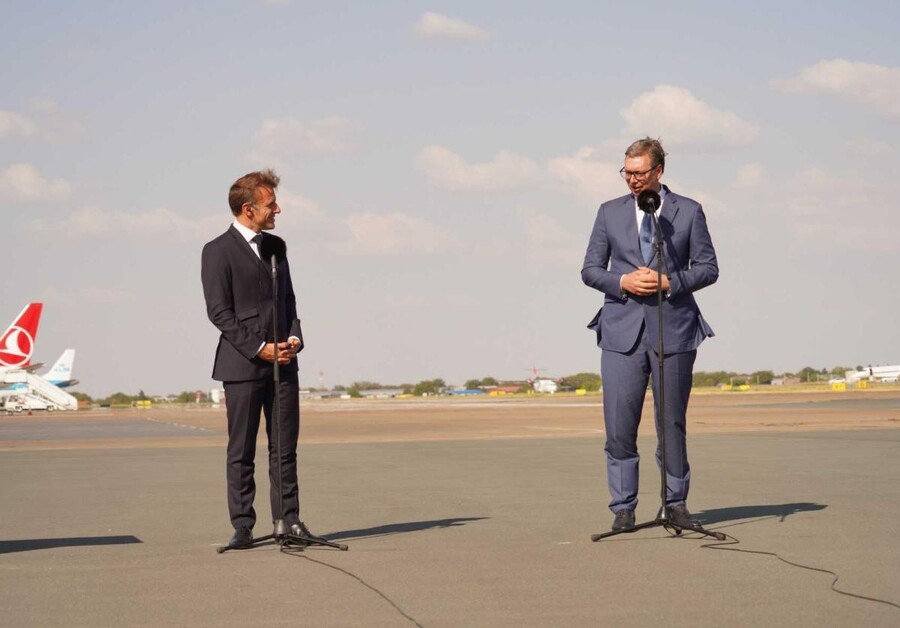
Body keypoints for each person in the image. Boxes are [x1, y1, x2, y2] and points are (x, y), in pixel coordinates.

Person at [581, 138, 719, 532]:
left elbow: (708, 268)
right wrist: (622, 280)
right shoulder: (608, 213)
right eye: (627, 172)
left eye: (640, 173)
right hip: (621, 333)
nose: (632, 180)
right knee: (619, 426)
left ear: (659, 171)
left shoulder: (688, 212)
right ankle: (623, 508)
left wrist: (669, 282)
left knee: (671, 423)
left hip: (673, 331)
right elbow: (590, 269)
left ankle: (676, 503)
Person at [201, 169, 314, 548]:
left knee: (284, 449)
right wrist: (259, 347)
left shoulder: (277, 246)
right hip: (243, 365)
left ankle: (289, 521)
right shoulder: (216, 251)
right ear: (248, 208)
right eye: (271, 204)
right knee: (242, 450)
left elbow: (290, 300)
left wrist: (294, 337)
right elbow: (219, 313)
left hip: (285, 364)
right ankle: (243, 527)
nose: (277, 209)